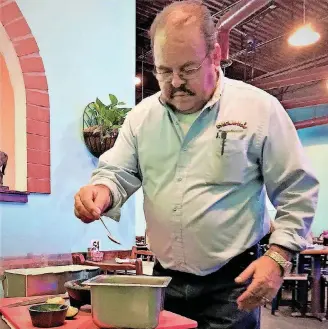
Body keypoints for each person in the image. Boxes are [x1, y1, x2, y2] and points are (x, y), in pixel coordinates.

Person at [74, 1, 319, 328]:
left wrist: (278, 256)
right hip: (164, 282)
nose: (175, 82)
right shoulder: (141, 119)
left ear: (215, 56)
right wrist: (101, 192)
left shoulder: (259, 110)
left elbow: (297, 190)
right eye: (164, 70)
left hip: (232, 285)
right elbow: (118, 173)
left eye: (187, 69)